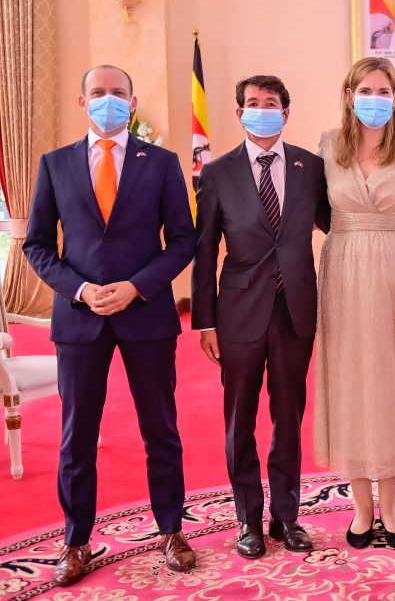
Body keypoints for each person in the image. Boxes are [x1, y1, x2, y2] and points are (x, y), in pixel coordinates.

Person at [23, 65, 197, 586]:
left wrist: (136, 286)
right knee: (76, 436)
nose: (108, 101)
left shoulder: (162, 163)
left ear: (133, 102)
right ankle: (77, 541)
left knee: (160, 429)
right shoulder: (53, 165)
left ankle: (171, 529)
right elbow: (36, 245)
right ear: (82, 102)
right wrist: (79, 289)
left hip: (146, 316)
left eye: (117, 94)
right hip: (79, 319)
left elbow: (184, 240)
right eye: (97, 94)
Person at [192, 75, 330, 559]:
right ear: (239, 113)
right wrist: (205, 321)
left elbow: (338, 224)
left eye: (271, 103)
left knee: (289, 417)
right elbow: (205, 250)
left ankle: (287, 517)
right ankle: (248, 517)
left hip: (295, 310)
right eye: (252, 103)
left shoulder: (311, 167)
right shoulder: (216, 173)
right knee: (240, 419)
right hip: (238, 313)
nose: (262, 109)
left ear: (286, 112)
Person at [314, 57, 395, 551]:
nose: (375, 99)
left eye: (384, 91)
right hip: (344, 278)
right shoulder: (328, 146)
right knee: (353, 383)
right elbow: (312, 212)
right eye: (365, 90)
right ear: (349, 94)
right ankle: (360, 508)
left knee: (392, 385)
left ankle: (390, 507)